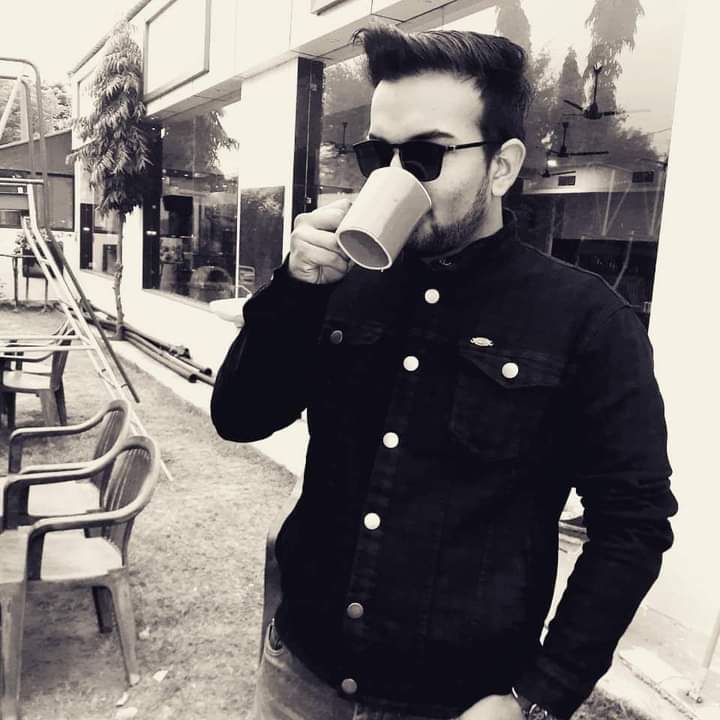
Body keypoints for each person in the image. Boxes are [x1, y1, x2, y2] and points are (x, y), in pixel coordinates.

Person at [211, 24, 677, 720]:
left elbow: (633, 523)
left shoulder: (587, 319)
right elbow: (240, 417)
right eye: (378, 155)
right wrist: (294, 289)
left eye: (426, 155)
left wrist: (538, 697)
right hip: (299, 672)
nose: (394, 178)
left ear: (501, 166)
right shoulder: (337, 281)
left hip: (456, 704)